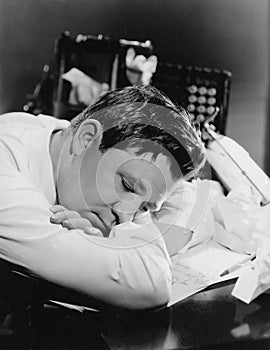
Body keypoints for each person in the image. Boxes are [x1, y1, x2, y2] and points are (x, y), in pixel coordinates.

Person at [0, 85, 206, 309]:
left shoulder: (71, 142)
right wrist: (113, 247)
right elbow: (152, 282)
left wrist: (106, 242)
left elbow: (194, 196)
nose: (125, 217)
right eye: (126, 186)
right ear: (86, 139)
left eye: (145, 208)